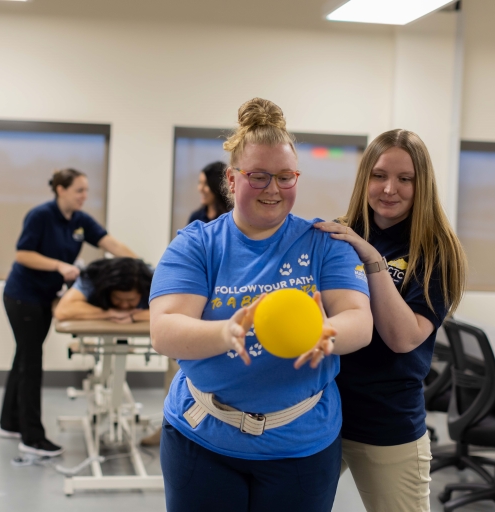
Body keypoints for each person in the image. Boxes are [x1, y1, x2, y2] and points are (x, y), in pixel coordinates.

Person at [149, 98, 373, 512]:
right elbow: (164, 330)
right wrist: (224, 331)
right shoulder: (196, 245)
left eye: (286, 176)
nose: (273, 188)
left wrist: (329, 331)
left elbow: (360, 321)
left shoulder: (325, 242)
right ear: (232, 181)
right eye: (258, 175)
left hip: (302, 445)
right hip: (204, 440)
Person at [315, 129, 467, 512]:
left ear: (422, 185)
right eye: (379, 175)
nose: (389, 189)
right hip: (322, 415)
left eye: (405, 179)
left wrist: (372, 261)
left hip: (387, 423)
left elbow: (402, 337)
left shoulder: (436, 251)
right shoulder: (339, 235)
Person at [0, 168, 137, 457]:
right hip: (23, 297)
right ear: (61, 190)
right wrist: (59, 265)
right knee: (31, 362)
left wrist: (142, 267)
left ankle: (9, 422)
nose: (84, 196)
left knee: (24, 357)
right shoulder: (40, 216)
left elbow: (110, 244)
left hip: (45, 297)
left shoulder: (80, 220)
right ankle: (31, 438)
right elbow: (22, 254)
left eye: (86, 191)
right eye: (79, 190)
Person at [141, 160, 232, 447]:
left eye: (204, 183)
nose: (200, 188)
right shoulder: (197, 219)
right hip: (195, 310)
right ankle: (174, 421)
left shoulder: (236, 216)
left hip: (226, 308)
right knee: (178, 370)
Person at [53, 257, 152, 323]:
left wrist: (134, 316)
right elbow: (62, 310)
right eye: (118, 298)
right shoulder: (93, 276)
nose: (124, 305)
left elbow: (167, 314)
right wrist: (111, 313)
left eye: (131, 300)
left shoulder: (154, 279)